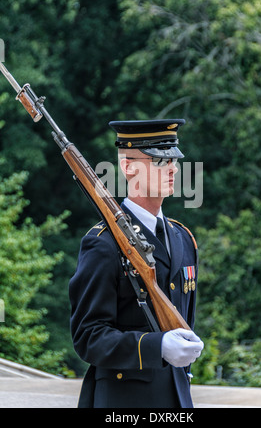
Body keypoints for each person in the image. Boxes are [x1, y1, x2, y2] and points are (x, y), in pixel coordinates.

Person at [69, 119, 204, 408]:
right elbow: (88, 336)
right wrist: (157, 347)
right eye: (158, 160)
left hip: (178, 399)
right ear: (128, 167)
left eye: (174, 159)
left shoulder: (184, 238)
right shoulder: (103, 244)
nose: (172, 168)